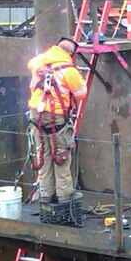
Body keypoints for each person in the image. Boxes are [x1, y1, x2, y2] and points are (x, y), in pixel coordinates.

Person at [27, 37, 88, 215]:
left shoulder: (39, 60)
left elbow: (31, 64)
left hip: (35, 115)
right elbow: (81, 94)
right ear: (70, 54)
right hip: (55, 117)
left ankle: (46, 193)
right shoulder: (68, 70)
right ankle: (64, 195)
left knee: (43, 153)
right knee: (61, 155)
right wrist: (79, 79)